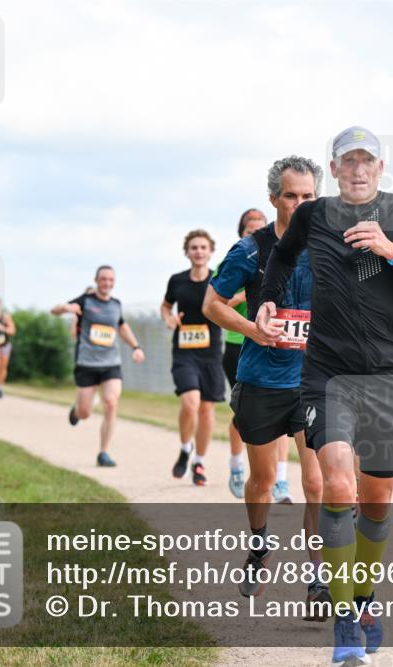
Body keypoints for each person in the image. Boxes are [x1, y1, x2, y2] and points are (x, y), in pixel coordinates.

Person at [256, 128, 393, 663]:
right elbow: (281, 258)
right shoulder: (313, 215)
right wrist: (269, 299)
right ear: (335, 168)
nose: (358, 169)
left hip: (388, 375)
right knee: (338, 484)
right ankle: (345, 620)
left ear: (381, 168)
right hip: (328, 374)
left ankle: (363, 597)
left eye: (367, 161)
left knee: (377, 498)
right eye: (349, 161)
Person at [204, 155, 330, 617]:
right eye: (291, 196)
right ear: (274, 198)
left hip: (312, 381)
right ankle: (259, 544)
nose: (300, 204)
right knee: (261, 481)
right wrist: (252, 330)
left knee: (315, 481)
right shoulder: (250, 250)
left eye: (309, 196)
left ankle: (318, 580)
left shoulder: (330, 245)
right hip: (261, 380)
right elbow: (212, 304)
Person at [51, 265, 145, 467]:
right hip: (87, 363)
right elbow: (54, 311)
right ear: (96, 280)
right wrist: (65, 308)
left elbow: (122, 327)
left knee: (111, 402)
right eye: (103, 279)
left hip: (111, 363)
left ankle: (104, 452)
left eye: (111, 280)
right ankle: (77, 411)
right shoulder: (85, 300)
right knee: (85, 412)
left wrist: (135, 347)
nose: (107, 283)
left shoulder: (116, 304)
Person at [162, 230, 225, 486]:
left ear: (210, 252)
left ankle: (198, 462)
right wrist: (169, 318)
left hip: (211, 353)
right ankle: (185, 447)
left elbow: (228, 302)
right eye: (194, 247)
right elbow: (166, 306)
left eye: (203, 247)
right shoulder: (177, 280)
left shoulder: (218, 280)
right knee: (190, 402)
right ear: (187, 252)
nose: (198, 251)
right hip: (184, 352)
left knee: (207, 409)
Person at [221, 209, 268, 498]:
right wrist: (242, 294)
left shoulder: (279, 257)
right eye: (251, 231)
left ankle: (279, 478)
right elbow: (216, 302)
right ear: (241, 233)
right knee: (244, 413)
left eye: (261, 230)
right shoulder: (235, 259)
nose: (256, 235)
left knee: (279, 413)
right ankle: (238, 465)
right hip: (238, 343)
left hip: (271, 345)